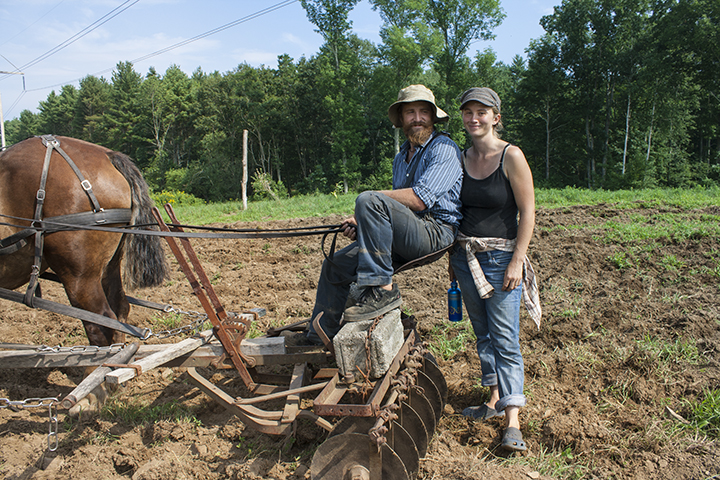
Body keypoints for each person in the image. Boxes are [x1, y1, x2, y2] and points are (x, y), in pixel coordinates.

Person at [303, 84, 463, 345]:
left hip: (435, 232)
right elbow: (396, 209)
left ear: (433, 117)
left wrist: (372, 201)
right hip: (409, 231)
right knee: (335, 265)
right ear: (401, 120)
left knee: (369, 199)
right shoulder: (401, 158)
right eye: (410, 112)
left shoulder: (443, 148)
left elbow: (420, 200)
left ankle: (381, 292)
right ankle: (318, 335)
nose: (417, 118)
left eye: (423, 112)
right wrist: (364, 222)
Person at [449, 87, 541, 452]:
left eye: (482, 112)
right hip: (465, 257)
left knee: (505, 338)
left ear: (495, 117)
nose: (474, 118)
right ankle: (492, 399)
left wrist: (518, 259)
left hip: (502, 258)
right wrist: (452, 263)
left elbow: (528, 211)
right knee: (483, 333)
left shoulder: (511, 156)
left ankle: (512, 420)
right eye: (468, 112)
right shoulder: (458, 158)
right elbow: (454, 213)